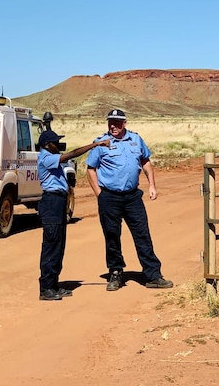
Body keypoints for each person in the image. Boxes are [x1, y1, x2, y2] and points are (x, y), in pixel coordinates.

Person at [86, 109, 173, 291]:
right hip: (109, 197)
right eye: (110, 122)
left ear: (124, 123)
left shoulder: (136, 140)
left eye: (117, 122)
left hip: (133, 197)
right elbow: (90, 169)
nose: (113, 126)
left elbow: (146, 162)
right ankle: (116, 273)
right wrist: (99, 194)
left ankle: (153, 275)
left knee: (142, 234)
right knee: (112, 236)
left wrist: (152, 185)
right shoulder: (101, 143)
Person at [37, 129, 109, 301]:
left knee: (59, 245)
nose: (59, 145)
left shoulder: (51, 156)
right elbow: (72, 154)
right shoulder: (46, 157)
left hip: (59, 202)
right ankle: (46, 288)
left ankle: (54, 285)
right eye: (56, 142)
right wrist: (96, 144)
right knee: (51, 245)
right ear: (47, 145)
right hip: (52, 202)